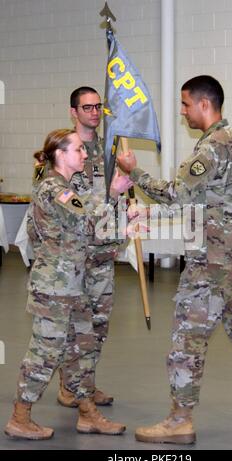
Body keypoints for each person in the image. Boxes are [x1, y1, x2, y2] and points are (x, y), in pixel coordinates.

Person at [117, 75, 232, 444]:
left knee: (187, 340)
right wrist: (154, 216)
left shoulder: (209, 149)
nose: (183, 112)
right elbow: (207, 203)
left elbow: (178, 195)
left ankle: (180, 421)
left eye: (185, 104)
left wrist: (136, 173)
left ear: (204, 104)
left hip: (212, 264)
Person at [4, 129, 126, 440]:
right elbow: (87, 223)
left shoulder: (66, 187)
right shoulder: (53, 189)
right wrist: (112, 194)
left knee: (81, 352)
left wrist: (122, 231)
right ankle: (20, 416)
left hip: (75, 286)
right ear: (61, 155)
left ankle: (88, 415)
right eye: (79, 150)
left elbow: (86, 237)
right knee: (45, 353)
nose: (85, 155)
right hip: (55, 290)